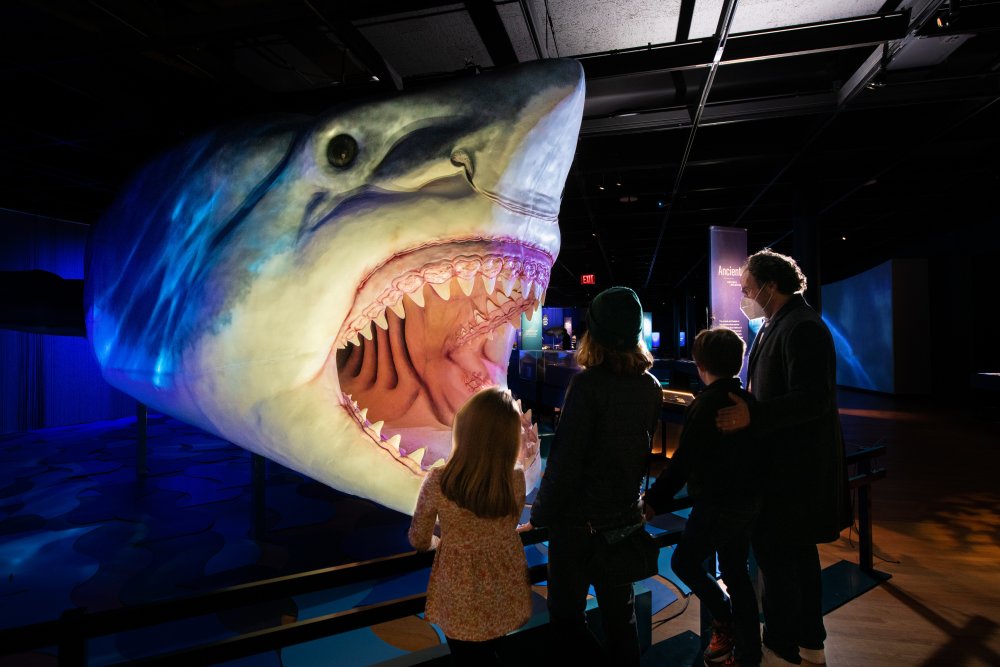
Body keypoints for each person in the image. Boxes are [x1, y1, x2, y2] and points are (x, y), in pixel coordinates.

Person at [717, 248, 851, 666]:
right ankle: (802, 641)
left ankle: (788, 643)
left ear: (771, 286)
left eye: (748, 288)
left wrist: (751, 414)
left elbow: (812, 400)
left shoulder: (804, 327)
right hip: (780, 467)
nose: (745, 295)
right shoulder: (777, 324)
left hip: (795, 471)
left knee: (786, 558)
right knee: (787, 557)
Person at [521, 286, 663, 666]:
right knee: (621, 617)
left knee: (567, 618)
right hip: (624, 522)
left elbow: (565, 463)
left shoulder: (586, 385)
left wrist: (538, 518)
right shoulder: (650, 387)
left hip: (578, 530)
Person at [643, 328, 762, 667]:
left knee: (684, 562)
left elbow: (683, 462)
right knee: (737, 574)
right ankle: (749, 653)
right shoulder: (749, 402)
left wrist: (652, 500)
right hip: (746, 502)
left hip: (717, 503)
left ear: (699, 364)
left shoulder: (705, 404)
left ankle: (724, 619)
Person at [408, 386, 532, 666]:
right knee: (492, 651)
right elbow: (506, 524)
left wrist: (438, 543)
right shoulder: (515, 477)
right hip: (504, 585)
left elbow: (418, 538)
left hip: (461, 593)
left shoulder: (438, 480)